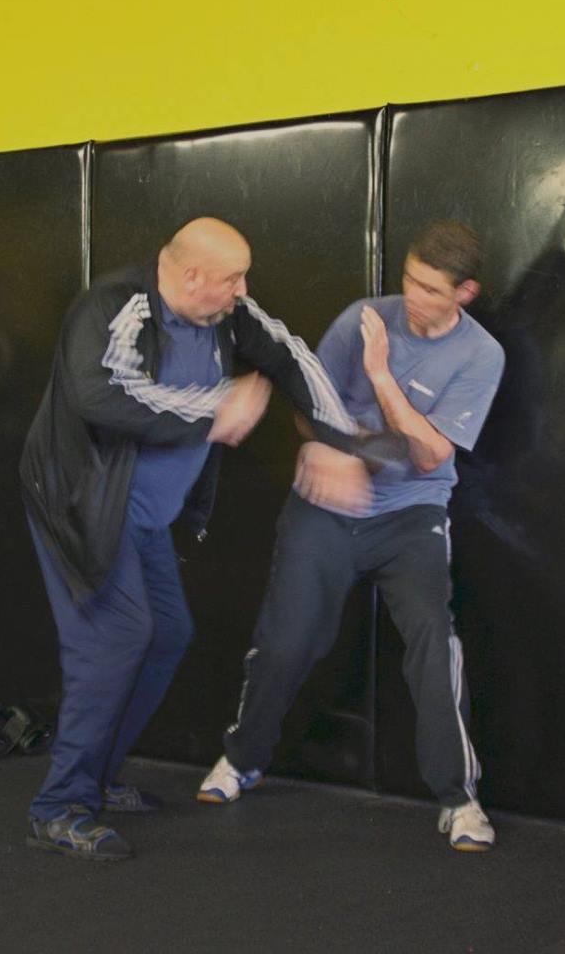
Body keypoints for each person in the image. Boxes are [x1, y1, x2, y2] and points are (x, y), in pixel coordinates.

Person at [20, 216, 380, 861]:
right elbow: (99, 392)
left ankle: (95, 779)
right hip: (82, 505)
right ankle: (58, 807)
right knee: (116, 640)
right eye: (232, 279)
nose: (243, 291)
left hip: (147, 515)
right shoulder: (115, 306)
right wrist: (216, 406)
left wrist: (342, 443)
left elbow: (289, 355)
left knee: (168, 635)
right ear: (191, 277)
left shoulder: (226, 313)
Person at [197, 220, 505, 852]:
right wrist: (331, 447)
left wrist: (381, 375)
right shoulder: (363, 317)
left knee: (433, 640)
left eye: (430, 289)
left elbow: (430, 454)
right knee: (286, 641)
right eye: (409, 280)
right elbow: (308, 407)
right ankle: (243, 759)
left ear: (465, 293)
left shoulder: (481, 355)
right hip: (328, 507)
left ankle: (458, 799)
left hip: (410, 515)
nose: (412, 296)